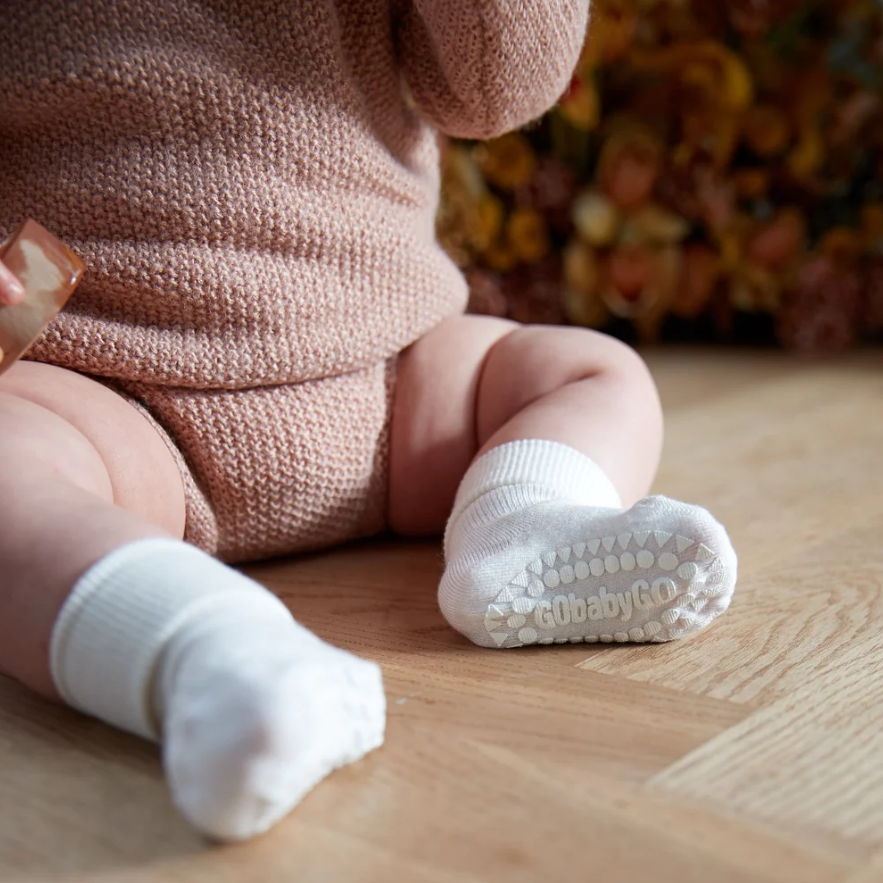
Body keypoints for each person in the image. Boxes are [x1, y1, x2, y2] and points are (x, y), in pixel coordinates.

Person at [0, 0, 736, 842]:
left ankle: (522, 522)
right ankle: (209, 652)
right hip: (101, 378)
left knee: (593, 373)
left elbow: (498, 88)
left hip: (392, 368)